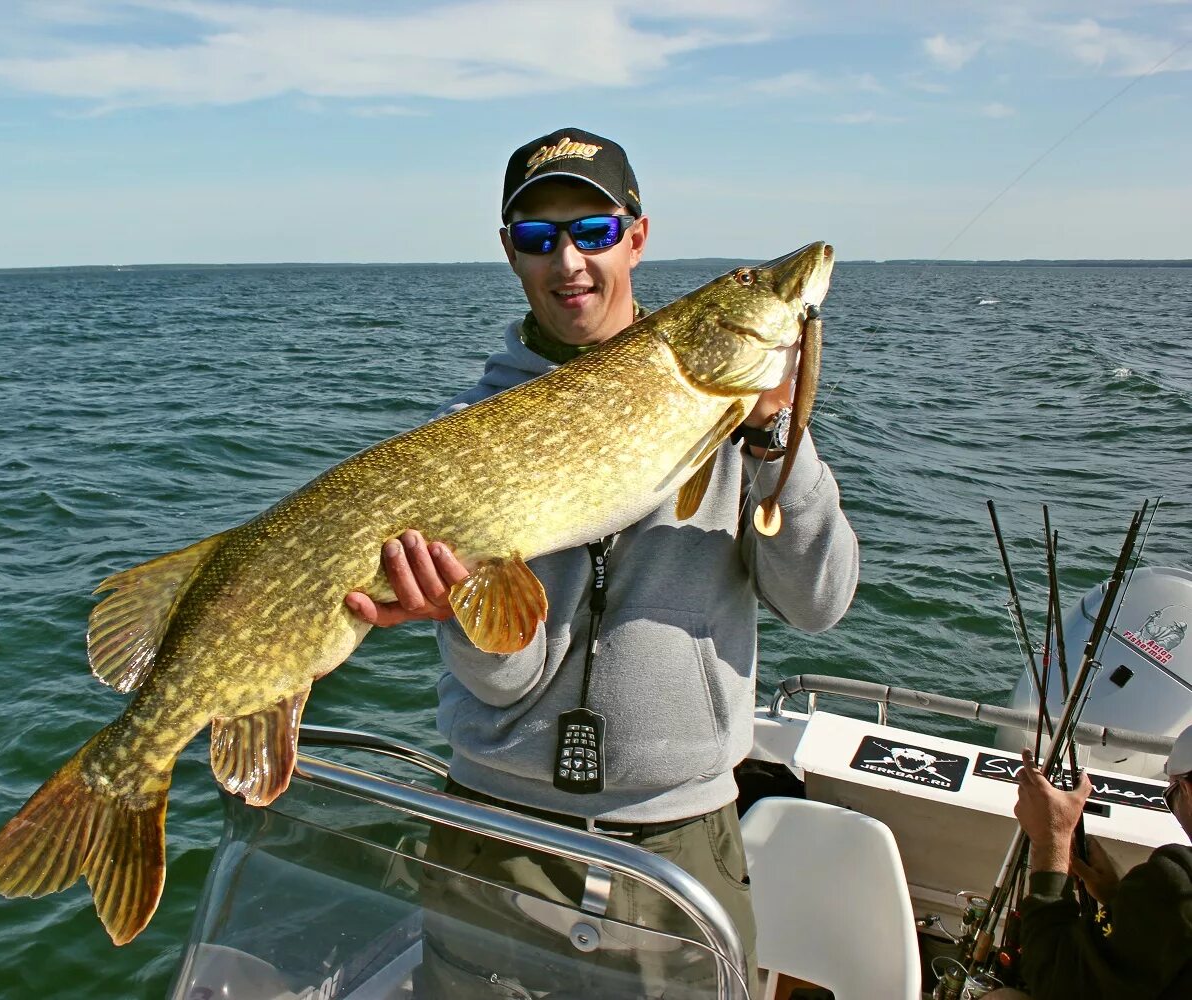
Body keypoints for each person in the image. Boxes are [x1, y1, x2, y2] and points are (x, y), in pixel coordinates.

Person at [344, 127, 860, 997]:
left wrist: (777, 437)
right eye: (541, 238)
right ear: (511, 253)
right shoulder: (464, 434)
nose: (570, 261)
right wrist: (467, 615)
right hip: (495, 839)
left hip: (679, 840)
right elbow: (506, 680)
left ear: (637, 236)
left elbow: (819, 602)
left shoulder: (739, 420)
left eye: (593, 230)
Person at [1013, 725, 1192, 999]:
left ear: (1188, 790)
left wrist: (1051, 840)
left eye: (1172, 795)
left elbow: (1053, 978)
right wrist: (1121, 899)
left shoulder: (1177, 881)